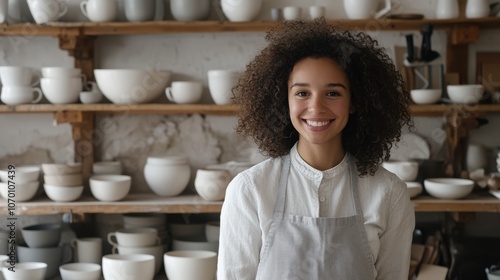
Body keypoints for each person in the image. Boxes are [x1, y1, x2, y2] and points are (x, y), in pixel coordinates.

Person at [217, 18, 415, 280]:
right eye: (302, 93)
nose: (316, 107)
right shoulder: (249, 190)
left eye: (332, 93)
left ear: (354, 103)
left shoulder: (390, 194)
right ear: (283, 100)